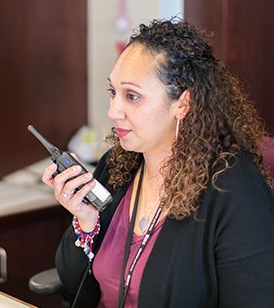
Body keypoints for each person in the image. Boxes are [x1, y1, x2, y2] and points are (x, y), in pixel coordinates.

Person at [42, 19, 274, 308]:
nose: (114, 111)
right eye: (113, 92)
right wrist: (86, 222)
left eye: (132, 96)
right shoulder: (117, 166)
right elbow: (74, 284)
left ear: (183, 104)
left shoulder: (233, 188)